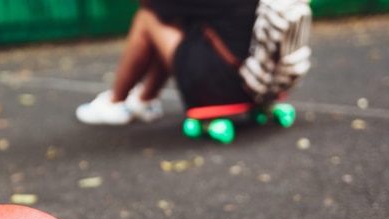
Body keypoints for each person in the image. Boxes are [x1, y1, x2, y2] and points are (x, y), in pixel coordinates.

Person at [75, 0, 260, 126]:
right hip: (260, 81)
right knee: (173, 24)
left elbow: (157, 6)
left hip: (222, 85)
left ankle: (115, 101)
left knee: (147, 17)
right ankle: (145, 100)